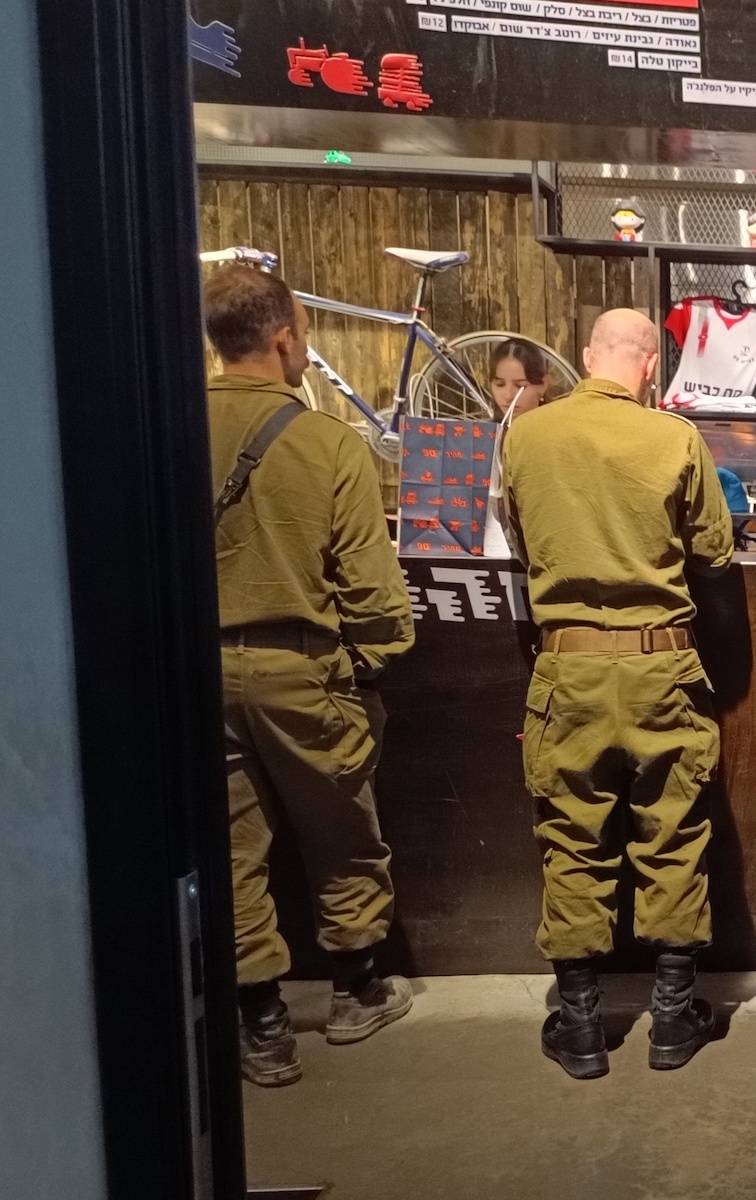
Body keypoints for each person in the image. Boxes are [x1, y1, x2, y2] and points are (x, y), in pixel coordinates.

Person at [498, 309, 736, 1080]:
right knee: (672, 832)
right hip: (662, 663)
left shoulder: (527, 434)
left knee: (572, 836)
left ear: (587, 356)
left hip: (565, 666)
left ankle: (581, 1025)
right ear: (649, 368)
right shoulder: (675, 439)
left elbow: (521, 542)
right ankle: (671, 1019)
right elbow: (716, 557)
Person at [204, 264, 417, 1087]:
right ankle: (357, 989)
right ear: (286, 338)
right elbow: (371, 586)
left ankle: (260, 1021)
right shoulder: (327, 442)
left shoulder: (167, 424)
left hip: (200, 670)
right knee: (342, 833)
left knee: (230, 846)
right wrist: (371, 662)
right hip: (302, 666)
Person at [488, 338, 551, 419]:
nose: (508, 396)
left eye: (520, 386)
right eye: (500, 384)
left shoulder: (558, 429)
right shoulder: (486, 430)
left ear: (543, 384)